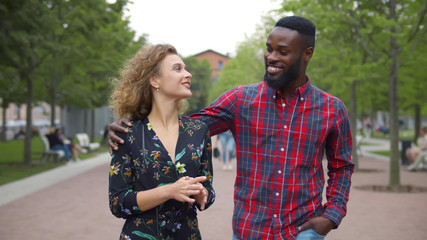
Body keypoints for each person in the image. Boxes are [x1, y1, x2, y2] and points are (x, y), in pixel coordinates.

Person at [108, 16, 354, 240]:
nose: (272, 57)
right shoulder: (241, 100)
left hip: (303, 232)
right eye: (269, 49)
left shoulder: (333, 109)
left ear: (307, 54)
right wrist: (132, 123)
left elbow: (342, 166)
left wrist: (332, 215)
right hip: (250, 230)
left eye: (283, 51)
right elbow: (186, 127)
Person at [108, 44, 215, 240]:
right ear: (154, 80)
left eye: (186, 68)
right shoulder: (127, 133)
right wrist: (169, 191)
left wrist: (202, 194)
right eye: (178, 69)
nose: (188, 74)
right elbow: (117, 202)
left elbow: (208, 190)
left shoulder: (199, 131)